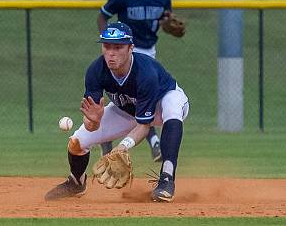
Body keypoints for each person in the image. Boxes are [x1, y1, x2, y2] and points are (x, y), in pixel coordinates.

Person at [44, 22, 189, 202]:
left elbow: (144, 126)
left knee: (172, 109)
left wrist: (122, 146)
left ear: (131, 48)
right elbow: (91, 121)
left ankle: (167, 179)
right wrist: (93, 122)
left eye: (118, 47)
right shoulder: (96, 71)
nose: (111, 53)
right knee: (77, 142)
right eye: (107, 46)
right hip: (126, 111)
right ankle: (76, 182)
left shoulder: (146, 73)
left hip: (163, 101)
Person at [97, 0, 173, 162]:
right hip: (125, 52)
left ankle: (152, 143)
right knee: (117, 97)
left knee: (143, 99)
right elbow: (102, 15)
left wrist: (168, 24)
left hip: (149, 52)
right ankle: (151, 143)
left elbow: (167, 20)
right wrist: (108, 41)